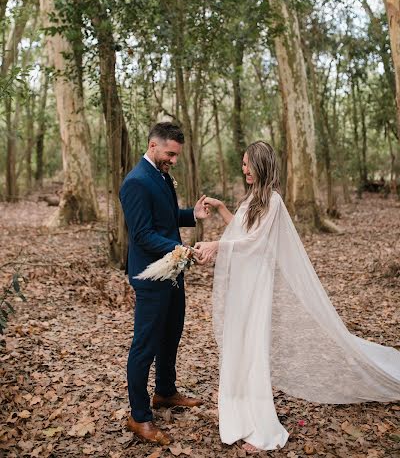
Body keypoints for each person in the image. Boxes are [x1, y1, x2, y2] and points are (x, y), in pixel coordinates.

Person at [195, 140, 400, 453]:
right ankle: (237, 410)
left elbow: (256, 243)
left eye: (249, 163)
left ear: (262, 165)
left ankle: (260, 425)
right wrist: (222, 208)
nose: (244, 168)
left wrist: (217, 246)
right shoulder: (252, 198)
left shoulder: (273, 201)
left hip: (257, 286)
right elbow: (240, 231)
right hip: (242, 285)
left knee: (253, 347)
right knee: (239, 345)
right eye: (243, 163)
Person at [120, 122, 210, 446]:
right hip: (150, 276)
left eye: (176, 155)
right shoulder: (135, 182)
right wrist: (182, 249)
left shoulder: (159, 175)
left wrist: (192, 214)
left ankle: (165, 392)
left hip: (172, 272)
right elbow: (142, 234)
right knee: (144, 345)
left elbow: (165, 218)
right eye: (170, 153)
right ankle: (139, 416)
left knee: (171, 334)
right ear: (153, 145)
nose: (173, 160)